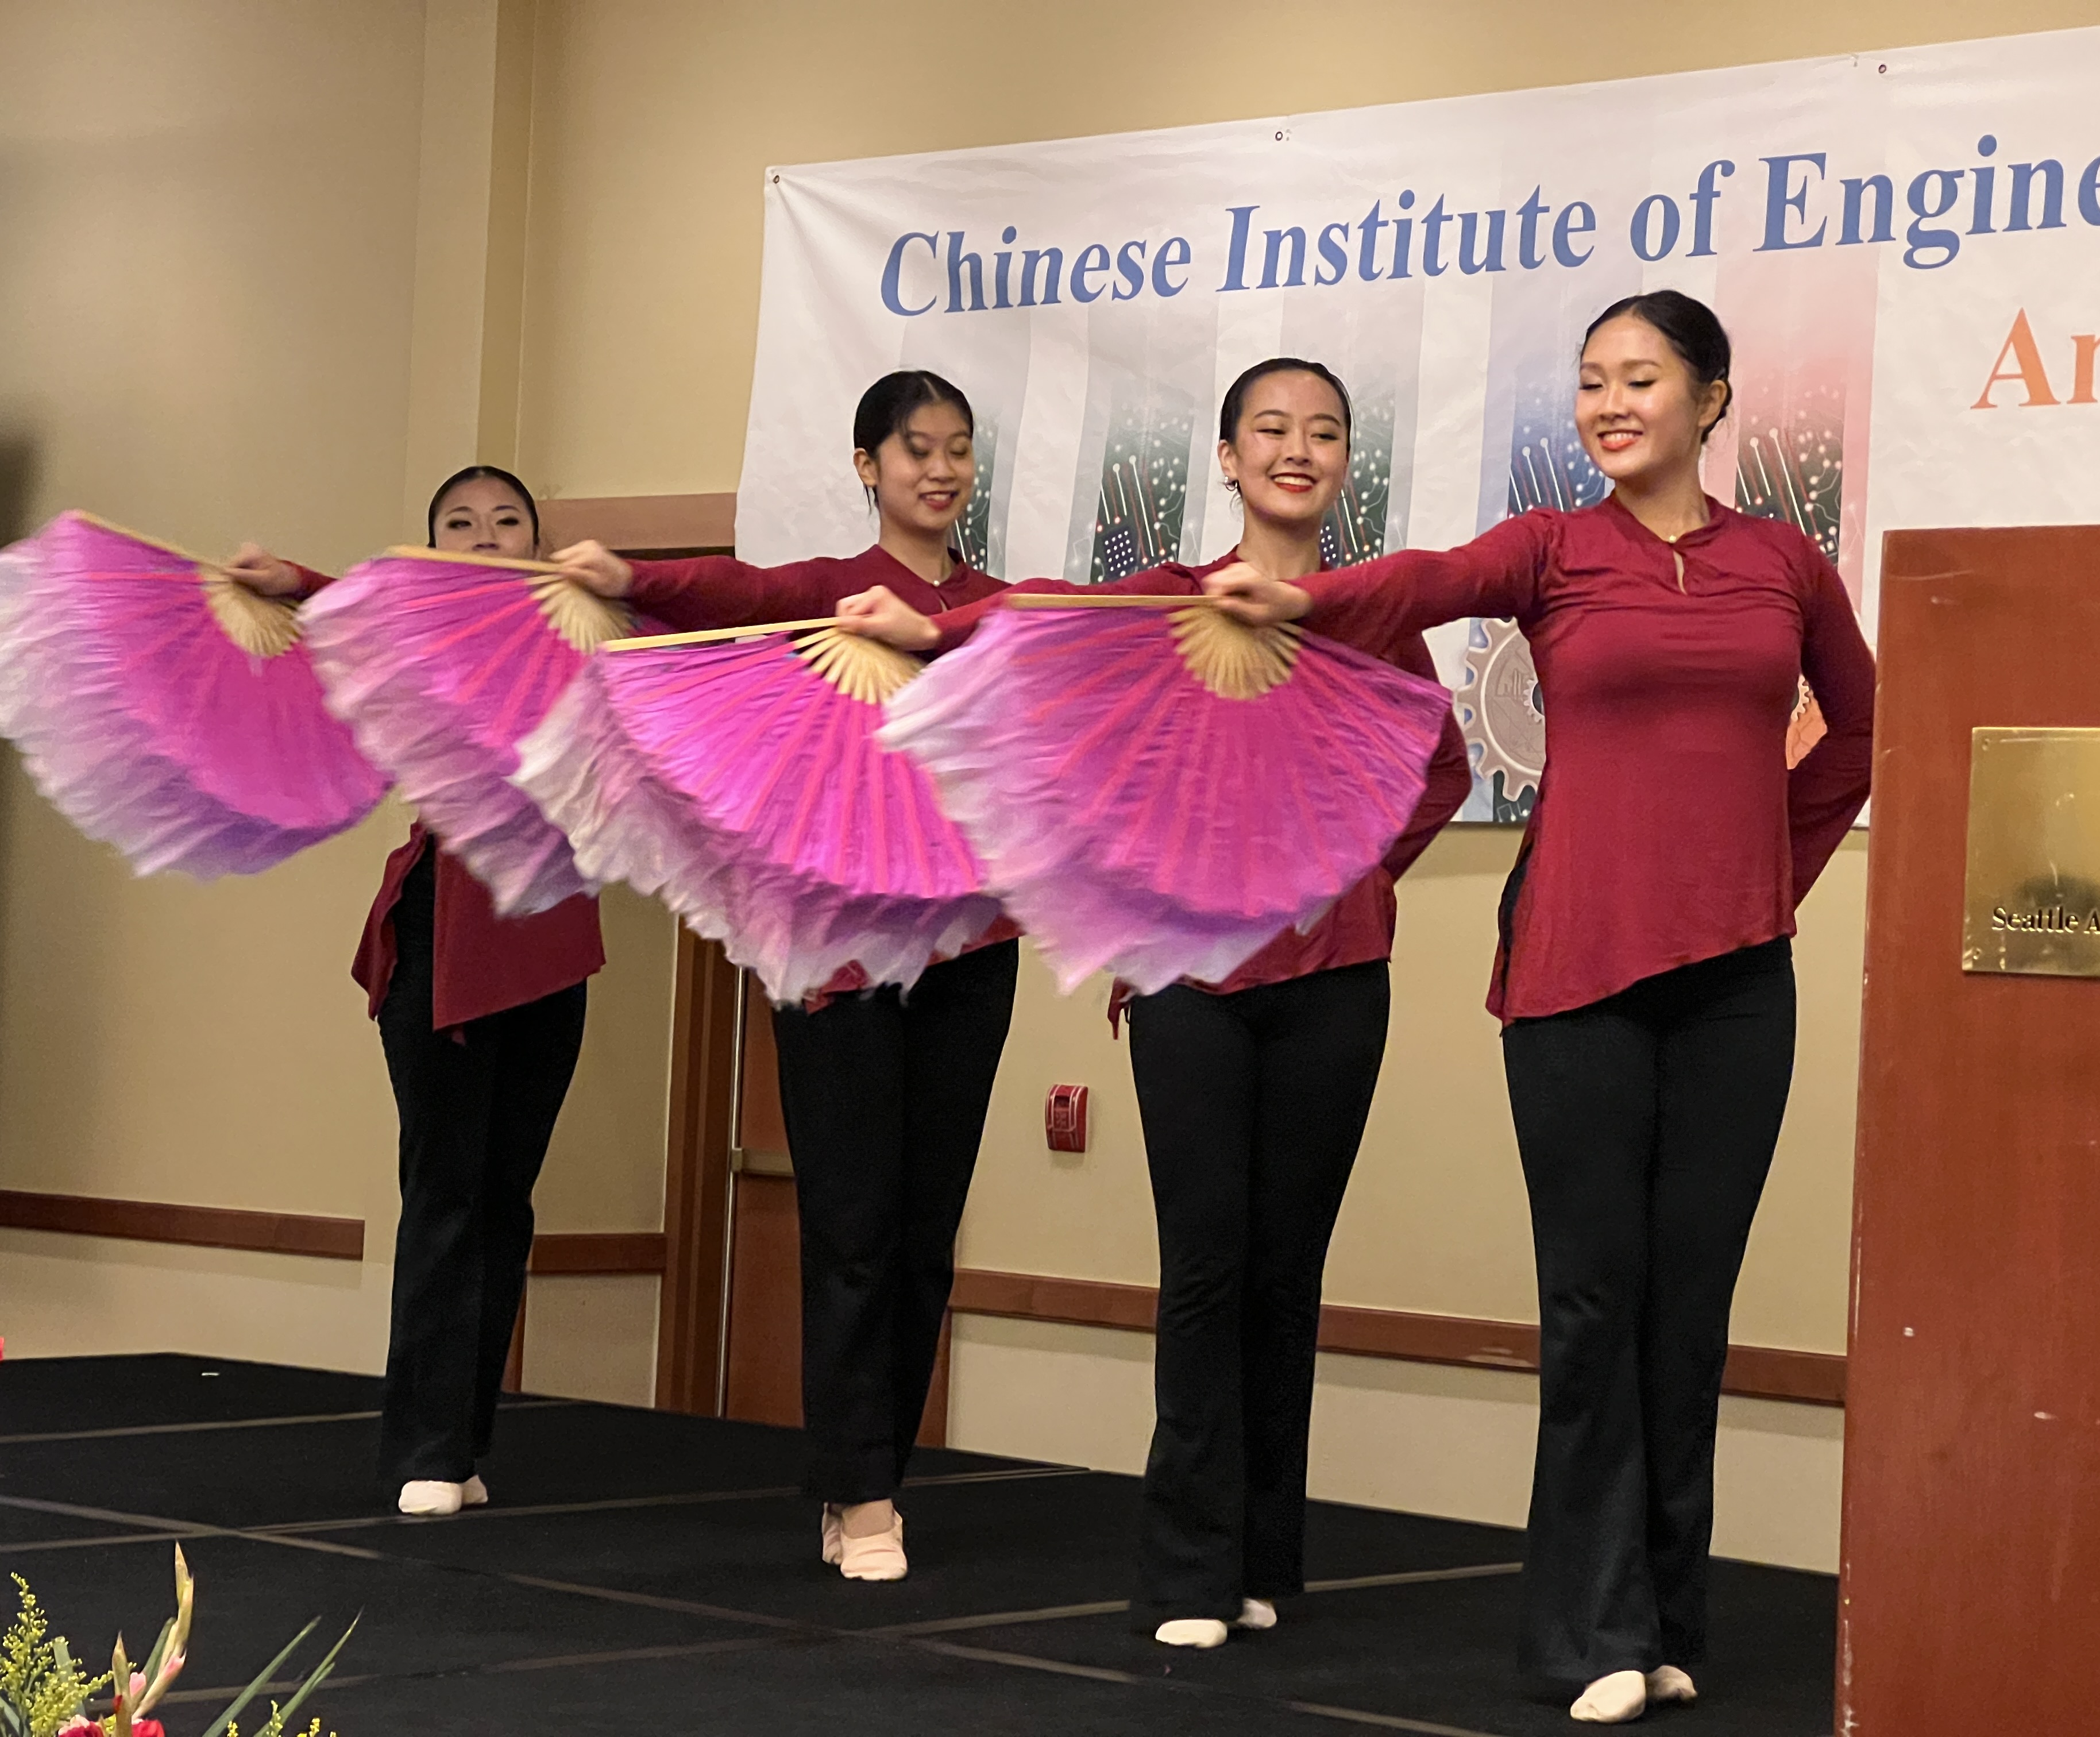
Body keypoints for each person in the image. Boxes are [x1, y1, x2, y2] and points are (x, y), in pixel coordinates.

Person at [1203, 295, 1875, 1723]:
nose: (1610, 404)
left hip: (1739, 988)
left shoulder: (1783, 562)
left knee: (1688, 1314)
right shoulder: (1555, 549)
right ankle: (1592, 1632)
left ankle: (1669, 1620)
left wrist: (1767, 872)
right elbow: (1431, 579)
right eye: (1591, 383)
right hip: (1577, 971)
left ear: (1712, 399)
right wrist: (1306, 600)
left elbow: (1860, 731)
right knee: (1591, 1305)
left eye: (1641, 379)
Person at [839, 358, 1471, 1647]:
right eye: (1271, 430)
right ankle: (1187, 1570)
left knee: (1286, 1276)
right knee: (1206, 1270)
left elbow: (1440, 768)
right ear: (1229, 460)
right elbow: (1039, 623)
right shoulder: (1171, 604)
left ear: (1345, 463)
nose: (1298, 450)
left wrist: (1342, 875)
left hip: (1337, 986)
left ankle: (1262, 1559)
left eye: (1325, 433)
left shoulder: (1370, 617)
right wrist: (933, 633)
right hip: (1190, 986)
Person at [555, 370, 1018, 1582]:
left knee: (924, 1234)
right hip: (843, 960)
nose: (941, 470)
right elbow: (736, 593)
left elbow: (1063, 639)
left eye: (958, 449)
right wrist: (632, 576)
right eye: (916, 449)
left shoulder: (990, 609)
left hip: (971, 951)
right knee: (855, 1223)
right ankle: (858, 1492)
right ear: (869, 466)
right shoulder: (831, 593)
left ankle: (876, 1469)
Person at [226, 465, 605, 1518]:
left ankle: (465, 1442)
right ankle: (424, 1448)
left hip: (553, 945)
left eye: (507, 523)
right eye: (461, 525)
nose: (486, 538)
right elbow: (354, 608)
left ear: (538, 544)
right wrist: (294, 580)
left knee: (506, 1201)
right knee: (446, 1193)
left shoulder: (581, 639)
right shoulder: (425, 634)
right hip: (448, 936)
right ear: (434, 548)